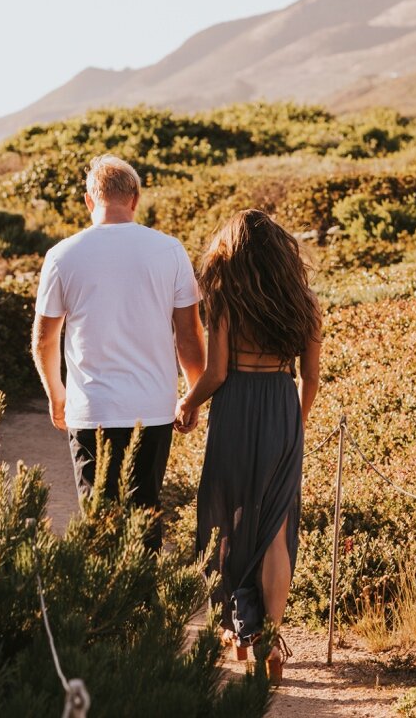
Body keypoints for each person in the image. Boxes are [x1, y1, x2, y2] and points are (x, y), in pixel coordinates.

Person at [174, 209, 322, 687]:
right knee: (275, 528)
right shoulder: (305, 304)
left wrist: (187, 402)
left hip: (236, 407)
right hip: (282, 405)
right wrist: (292, 428)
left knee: (229, 521)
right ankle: (270, 639)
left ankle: (239, 627)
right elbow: (311, 378)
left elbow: (215, 374)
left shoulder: (225, 301)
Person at [31, 154, 204, 549]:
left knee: (99, 524)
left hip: (91, 410)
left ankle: (105, 609)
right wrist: (194, 394)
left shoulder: (61, 255)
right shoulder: (169, 250)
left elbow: (44, 338)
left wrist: (56, 394)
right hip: (153, 409)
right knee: (145, 519)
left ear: (89, 201)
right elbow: (190, 334)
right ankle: (144, 607)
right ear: (136, 198)